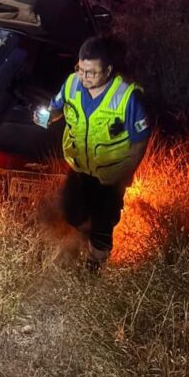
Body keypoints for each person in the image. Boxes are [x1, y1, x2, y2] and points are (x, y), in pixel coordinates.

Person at [38, 35, 151, 267]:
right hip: (79, 168)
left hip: (110, 176)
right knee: (71, 212)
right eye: (81, 70)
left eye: (92, 72)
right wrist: (48, 117)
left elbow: (140, 141)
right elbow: (58, 108)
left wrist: (125, 174)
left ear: (108, 70)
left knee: (103, 225)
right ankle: (82, 235)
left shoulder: (128, 98)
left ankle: (94, 268)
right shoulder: (71, 83)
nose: (85, 77)